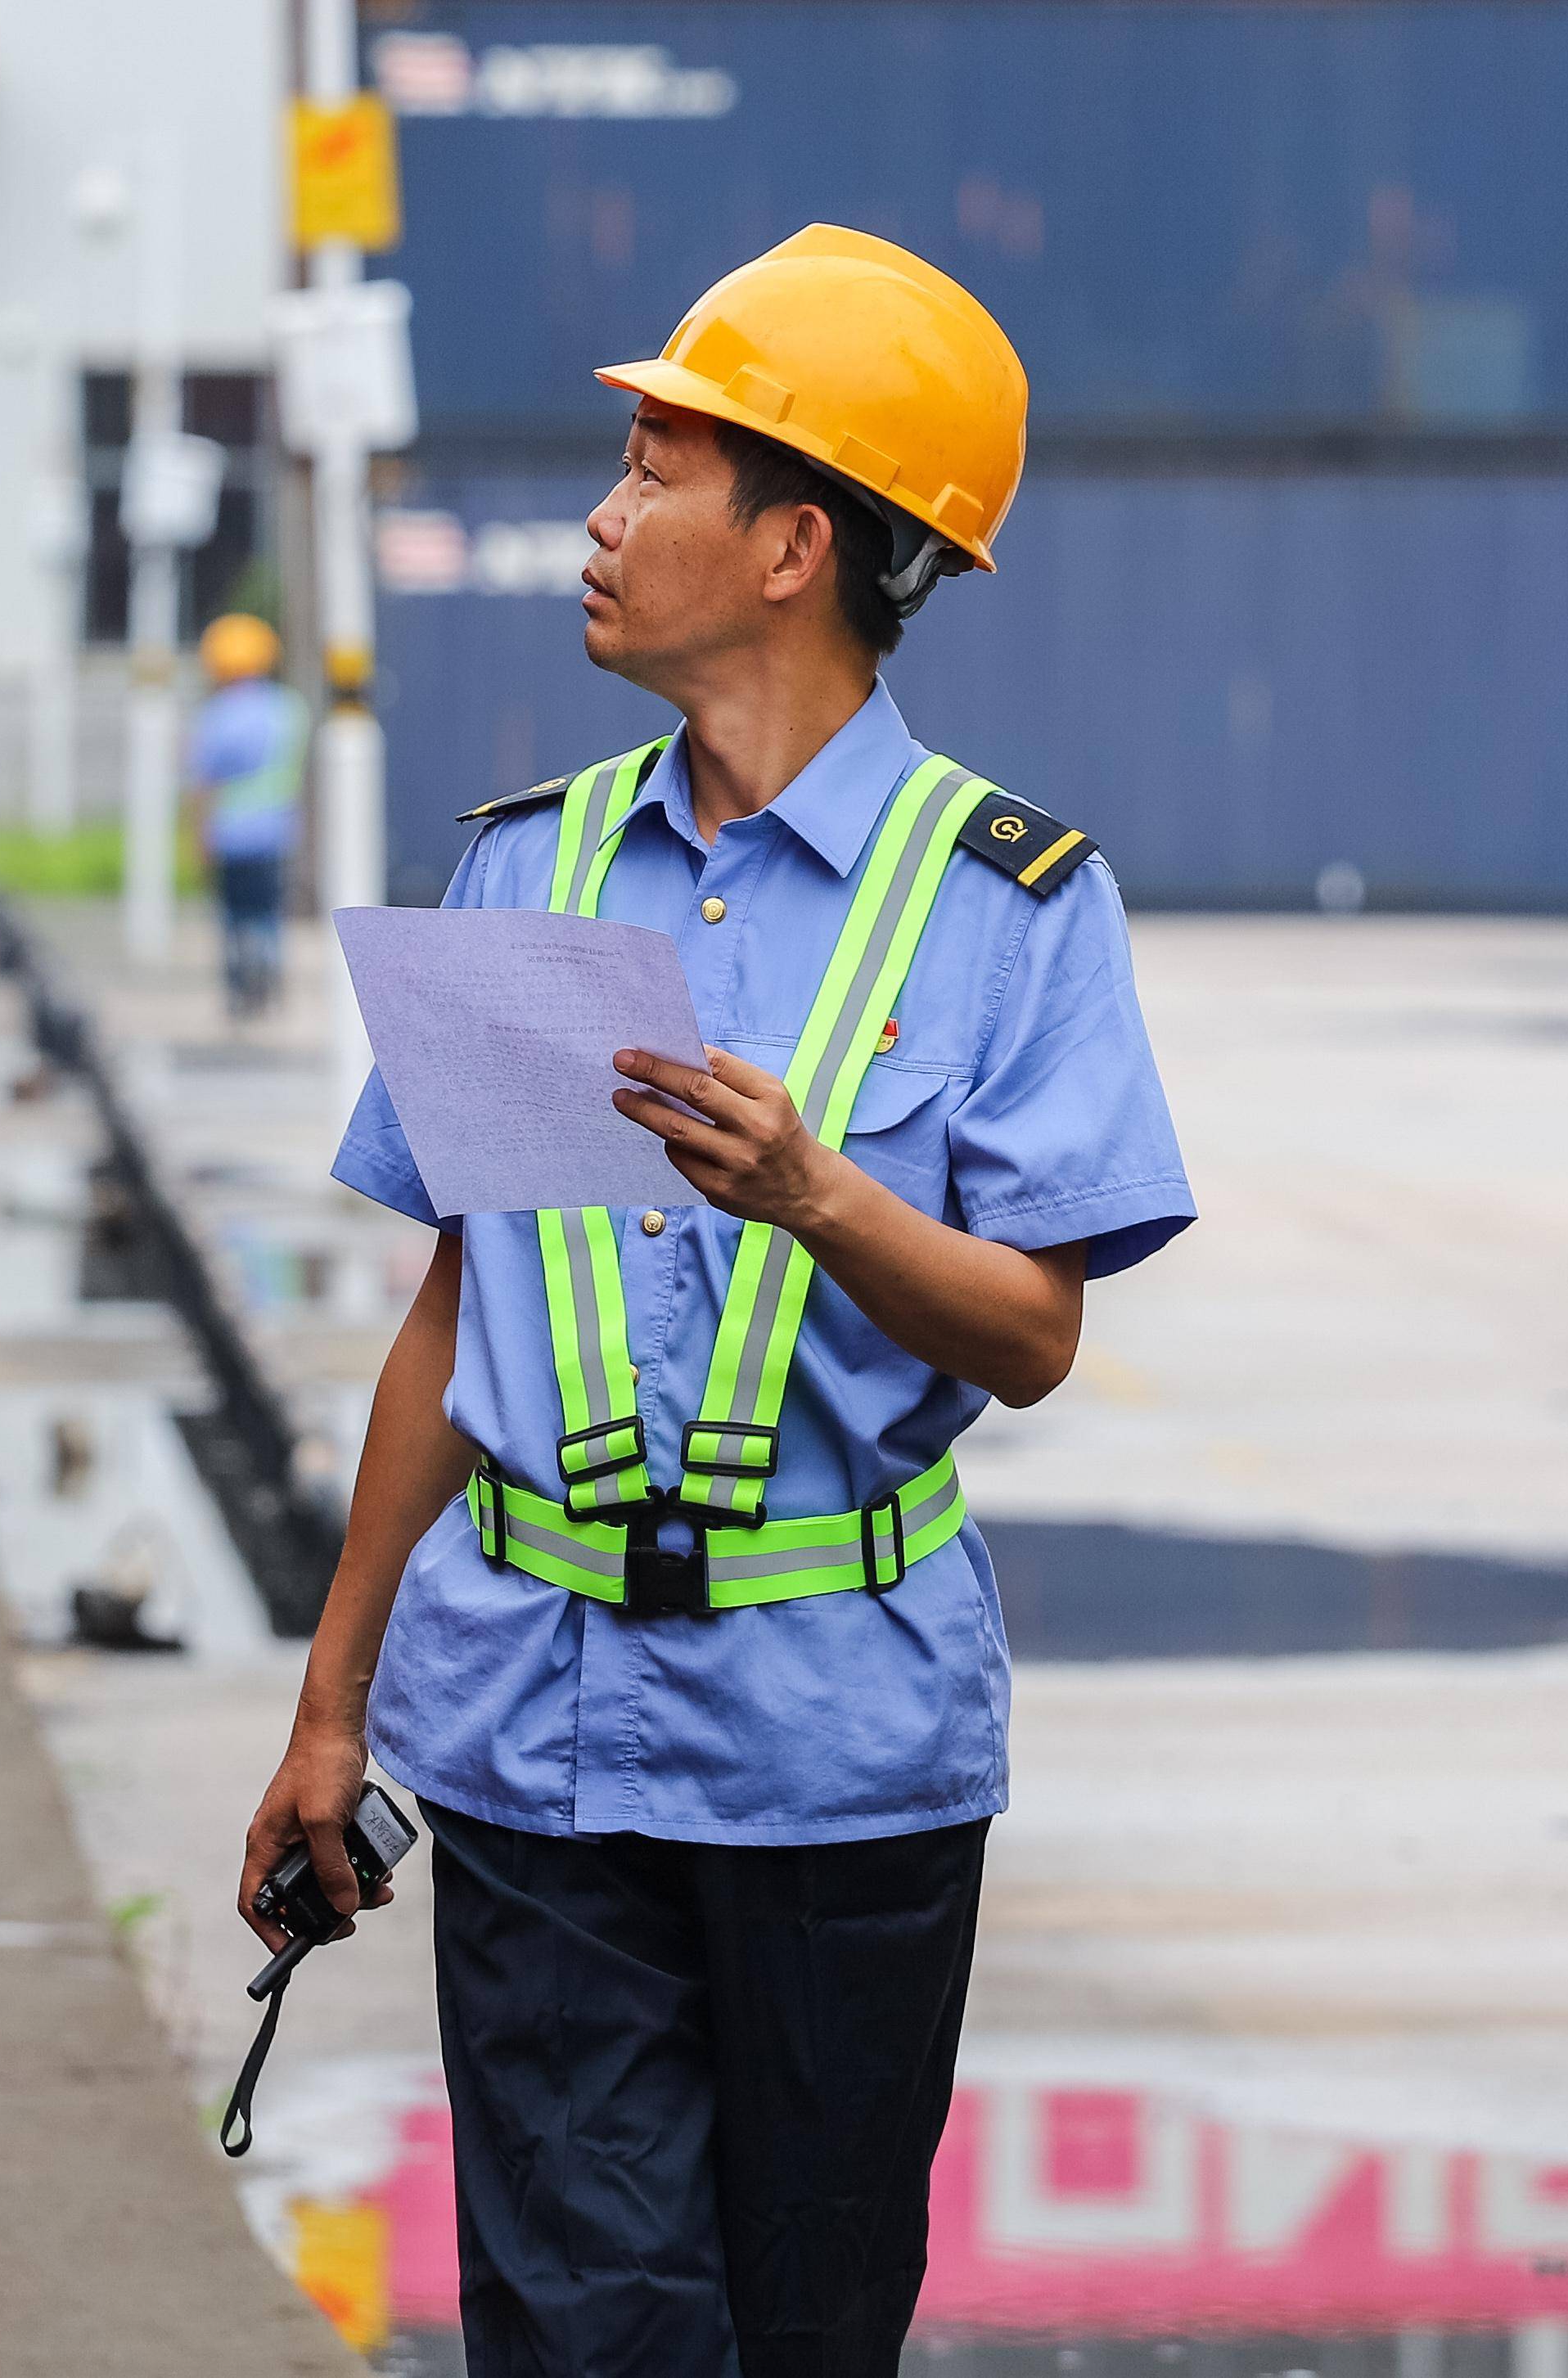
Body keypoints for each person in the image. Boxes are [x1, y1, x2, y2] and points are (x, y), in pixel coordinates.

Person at [237, 225, 1196, 2376]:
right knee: (590, 2338)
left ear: (791, 542)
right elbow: (455, 1315)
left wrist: (809, 1196)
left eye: (648, 471)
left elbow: (1027, 1334)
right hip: (530, 1741)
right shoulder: (528, 868)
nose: (595, 520)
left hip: (842, 1758)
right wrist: (328, 1710)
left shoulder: (1006, 914)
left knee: (804, 2333)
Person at [186, 611, 309, 1019]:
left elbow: (203, 784)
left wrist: (197, 838)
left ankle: (240, 990)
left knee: (233, 916)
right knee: (268, 912)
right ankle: (270, 982)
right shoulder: (289, 709)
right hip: (275, 832)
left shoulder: (216, 715)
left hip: (229, 836)